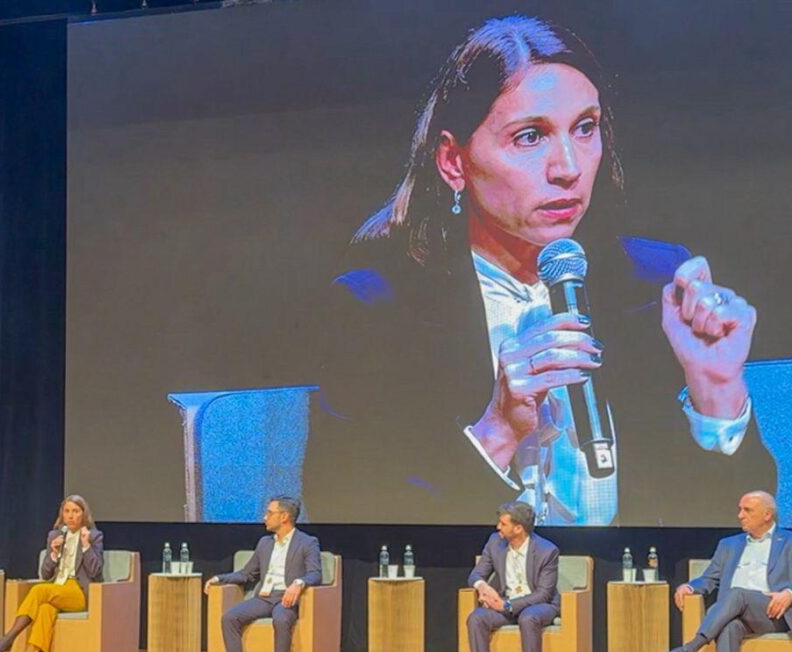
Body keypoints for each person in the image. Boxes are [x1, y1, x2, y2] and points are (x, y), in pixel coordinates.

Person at [306, 14, 773, 526]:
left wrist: (716, 393)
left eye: (586, 128)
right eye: (530, 137)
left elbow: (737, 533)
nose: (568, 167)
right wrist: (498, 430)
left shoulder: (657, 284)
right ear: (453, 163)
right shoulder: (374, 309)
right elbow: (347, 524)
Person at [660, 491, 792, 652]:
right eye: (740, 509)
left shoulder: (788, 541)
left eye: (747, 510)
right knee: (729, 626)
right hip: (735, 610)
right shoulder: (729, 544)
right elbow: (709, 578)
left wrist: (789, 594)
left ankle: (690, 649)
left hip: (772, 611)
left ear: (767, 514)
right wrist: (690, 586)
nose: (740, 515)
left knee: (737, 592)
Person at [206, 495, 321, 652]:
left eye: (269, 513)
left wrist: (298, 583)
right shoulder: (264, 543)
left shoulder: (307, 542)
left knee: (282, 619)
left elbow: (315, 573)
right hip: (264, 597)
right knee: (229, 617)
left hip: (286, 598)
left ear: (284, 516)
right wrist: (219, 578)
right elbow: (247, 574)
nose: (264, 517)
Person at [0, 494, 104, 652]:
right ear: (62, 515)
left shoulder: (94, 536)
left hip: (78, 593)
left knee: (39, 591)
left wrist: (86, 545)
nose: (71, 516)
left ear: (84, 514)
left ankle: (8, 638)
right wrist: (54, 553)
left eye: (75, 511)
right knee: (44, 610)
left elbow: (95, 570)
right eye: (67, 512)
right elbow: (45, 572)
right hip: (57, 588)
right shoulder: (54, 536)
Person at [464, 501, 559, 652]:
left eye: (503, 524)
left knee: (528, 618)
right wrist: (483, 587)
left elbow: (543, 594)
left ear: (518, 528)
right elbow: (477, 574)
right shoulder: (494, 543)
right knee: (476, 618)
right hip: (504, 604)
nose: (498, 527)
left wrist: (507, 605)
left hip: (539, 605)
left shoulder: (546, 551)